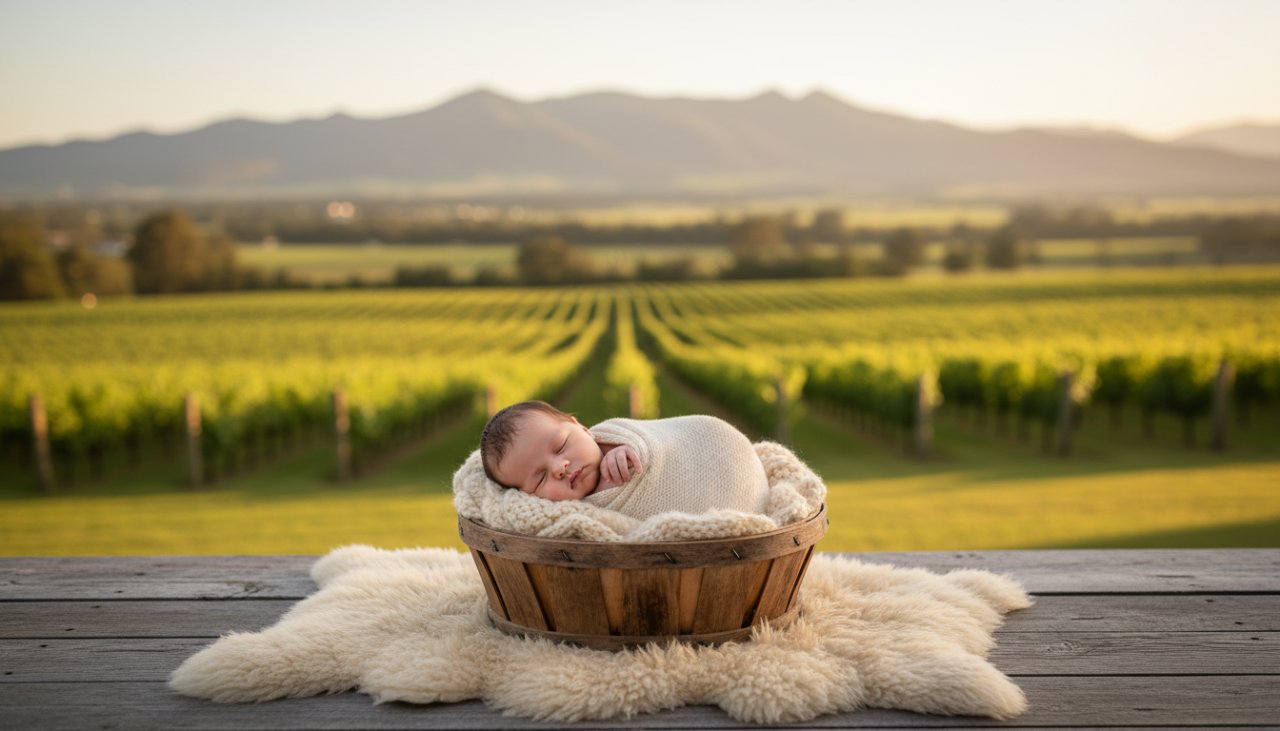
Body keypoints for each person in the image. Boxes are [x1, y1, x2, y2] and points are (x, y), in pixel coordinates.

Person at [479, 400, 771, 520]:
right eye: (540, 478)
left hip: (719, 453)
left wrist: (624, 448)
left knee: (715, 435)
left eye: (561, 446)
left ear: (580, 427)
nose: (559, 468)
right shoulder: (569, 517)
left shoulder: (616, 442)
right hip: (712, 518)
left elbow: (665, 440)